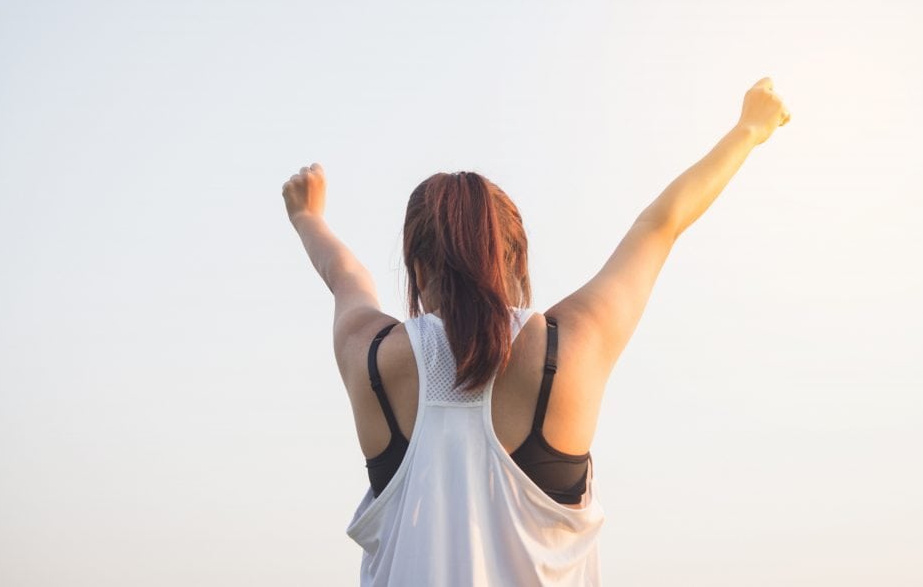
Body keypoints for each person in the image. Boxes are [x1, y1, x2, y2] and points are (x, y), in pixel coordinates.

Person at [282, 77, 792, 586]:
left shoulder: (370, 358)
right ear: (517, 259)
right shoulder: (569, 348)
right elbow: (659, 225)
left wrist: (308, 216)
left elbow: (345, 276)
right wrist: (748, 130)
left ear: (415, 269)